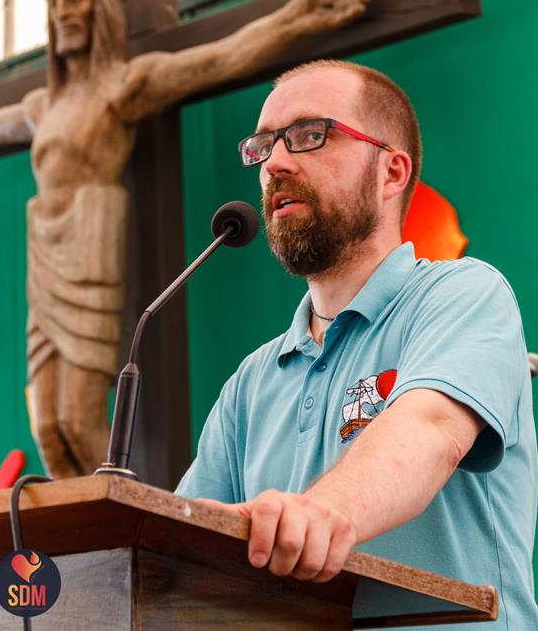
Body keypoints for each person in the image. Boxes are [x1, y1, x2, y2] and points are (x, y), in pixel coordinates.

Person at [176, 59, 538, 629]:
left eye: (309, 135)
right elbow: (181, 555)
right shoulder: (250, 381)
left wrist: (319, 513)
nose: (275, 163)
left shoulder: (465, 295)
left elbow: (431, 430)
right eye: (263, 146)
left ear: (392, 172)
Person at [0, 0, 370, 479]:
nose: (63, 12)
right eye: (54, 2)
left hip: (89, 240)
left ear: (103, 10)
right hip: (45, 248)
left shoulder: (124, 85)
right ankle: (78, 527)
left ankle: (113, 517)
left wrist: (296, 18)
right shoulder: (41, 105)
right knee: (49, 425)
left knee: (77, 417)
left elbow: (219, 59)